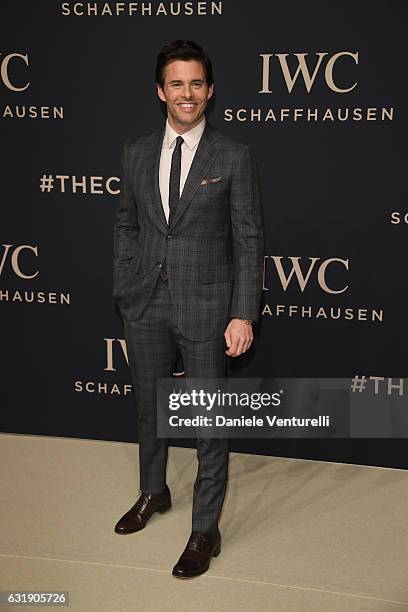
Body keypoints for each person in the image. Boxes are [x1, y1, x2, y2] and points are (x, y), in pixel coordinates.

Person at [112, 39, 264, 579]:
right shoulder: (134, 151)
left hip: (207, 309)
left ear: (210, 90)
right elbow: (128, 225)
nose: (187, 93)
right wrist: (125, 286)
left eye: (196, 83)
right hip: (145, 305)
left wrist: (242, 313)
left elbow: (248, 241)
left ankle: (205, 528)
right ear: (160, 91)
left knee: (207, 422)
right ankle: (153, 491)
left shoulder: (233, 155)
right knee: (151, 411)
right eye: (176, 83)